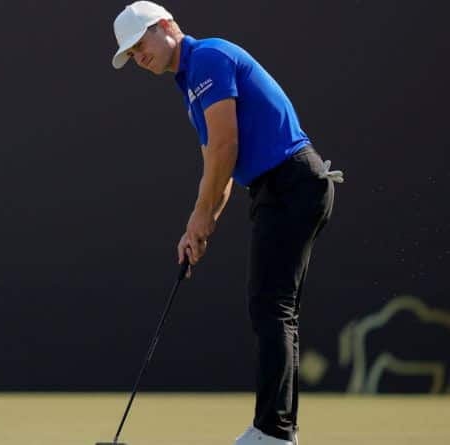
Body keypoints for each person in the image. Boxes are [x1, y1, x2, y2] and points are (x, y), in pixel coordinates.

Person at [110, 2, 342, 444]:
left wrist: (201, 217)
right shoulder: (189, 84)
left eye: (141, 43)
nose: (139, 56)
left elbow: (225, 148)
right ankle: (277, 431)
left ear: (166, 26)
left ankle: (274, 433)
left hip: (293, 182)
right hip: (279, 189)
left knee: (272, 307)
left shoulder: (209, 58)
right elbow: (215, 170)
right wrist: (198, 228)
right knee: (272, 307)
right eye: (131, 53)